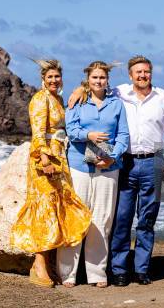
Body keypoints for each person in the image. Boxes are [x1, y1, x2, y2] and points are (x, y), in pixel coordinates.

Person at [68, 55, 164, 286]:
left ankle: (141, 269)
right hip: (125, 163)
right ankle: (118, 269)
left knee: (147, 219)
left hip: (153, 162)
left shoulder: (163, 97)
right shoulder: (119, 93)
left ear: (151, 74)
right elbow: (96, 84)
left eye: (146, 72)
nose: (142, 75)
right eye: (138, 72)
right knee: (121, 218)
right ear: (130, 76)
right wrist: (79, 89)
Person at [10, 59, 91, 288]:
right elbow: (37, 132)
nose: (54, 80)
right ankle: (38, 265)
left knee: (56, 210)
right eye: (50, 77)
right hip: (44, 160)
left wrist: (83, 87)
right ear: (42, 80)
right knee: (44, 210)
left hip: (60, 157)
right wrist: (44, 160)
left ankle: (49, 264)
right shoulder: (40, 99)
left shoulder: (58, 98)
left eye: (57, 77)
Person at [57, 61, 130, 288]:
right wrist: (89, 135)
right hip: (80, 166)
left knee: (103, 219)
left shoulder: (116, 104)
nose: (98, 81)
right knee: (76, 217)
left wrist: (113, 156)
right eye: (95, 77)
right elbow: (72, 129)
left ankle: (97, 274)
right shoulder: (78, 101)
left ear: (107, 80)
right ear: (87, 79)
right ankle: (67, 274)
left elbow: (123, 135)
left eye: (102, 77)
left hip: (109, 168)